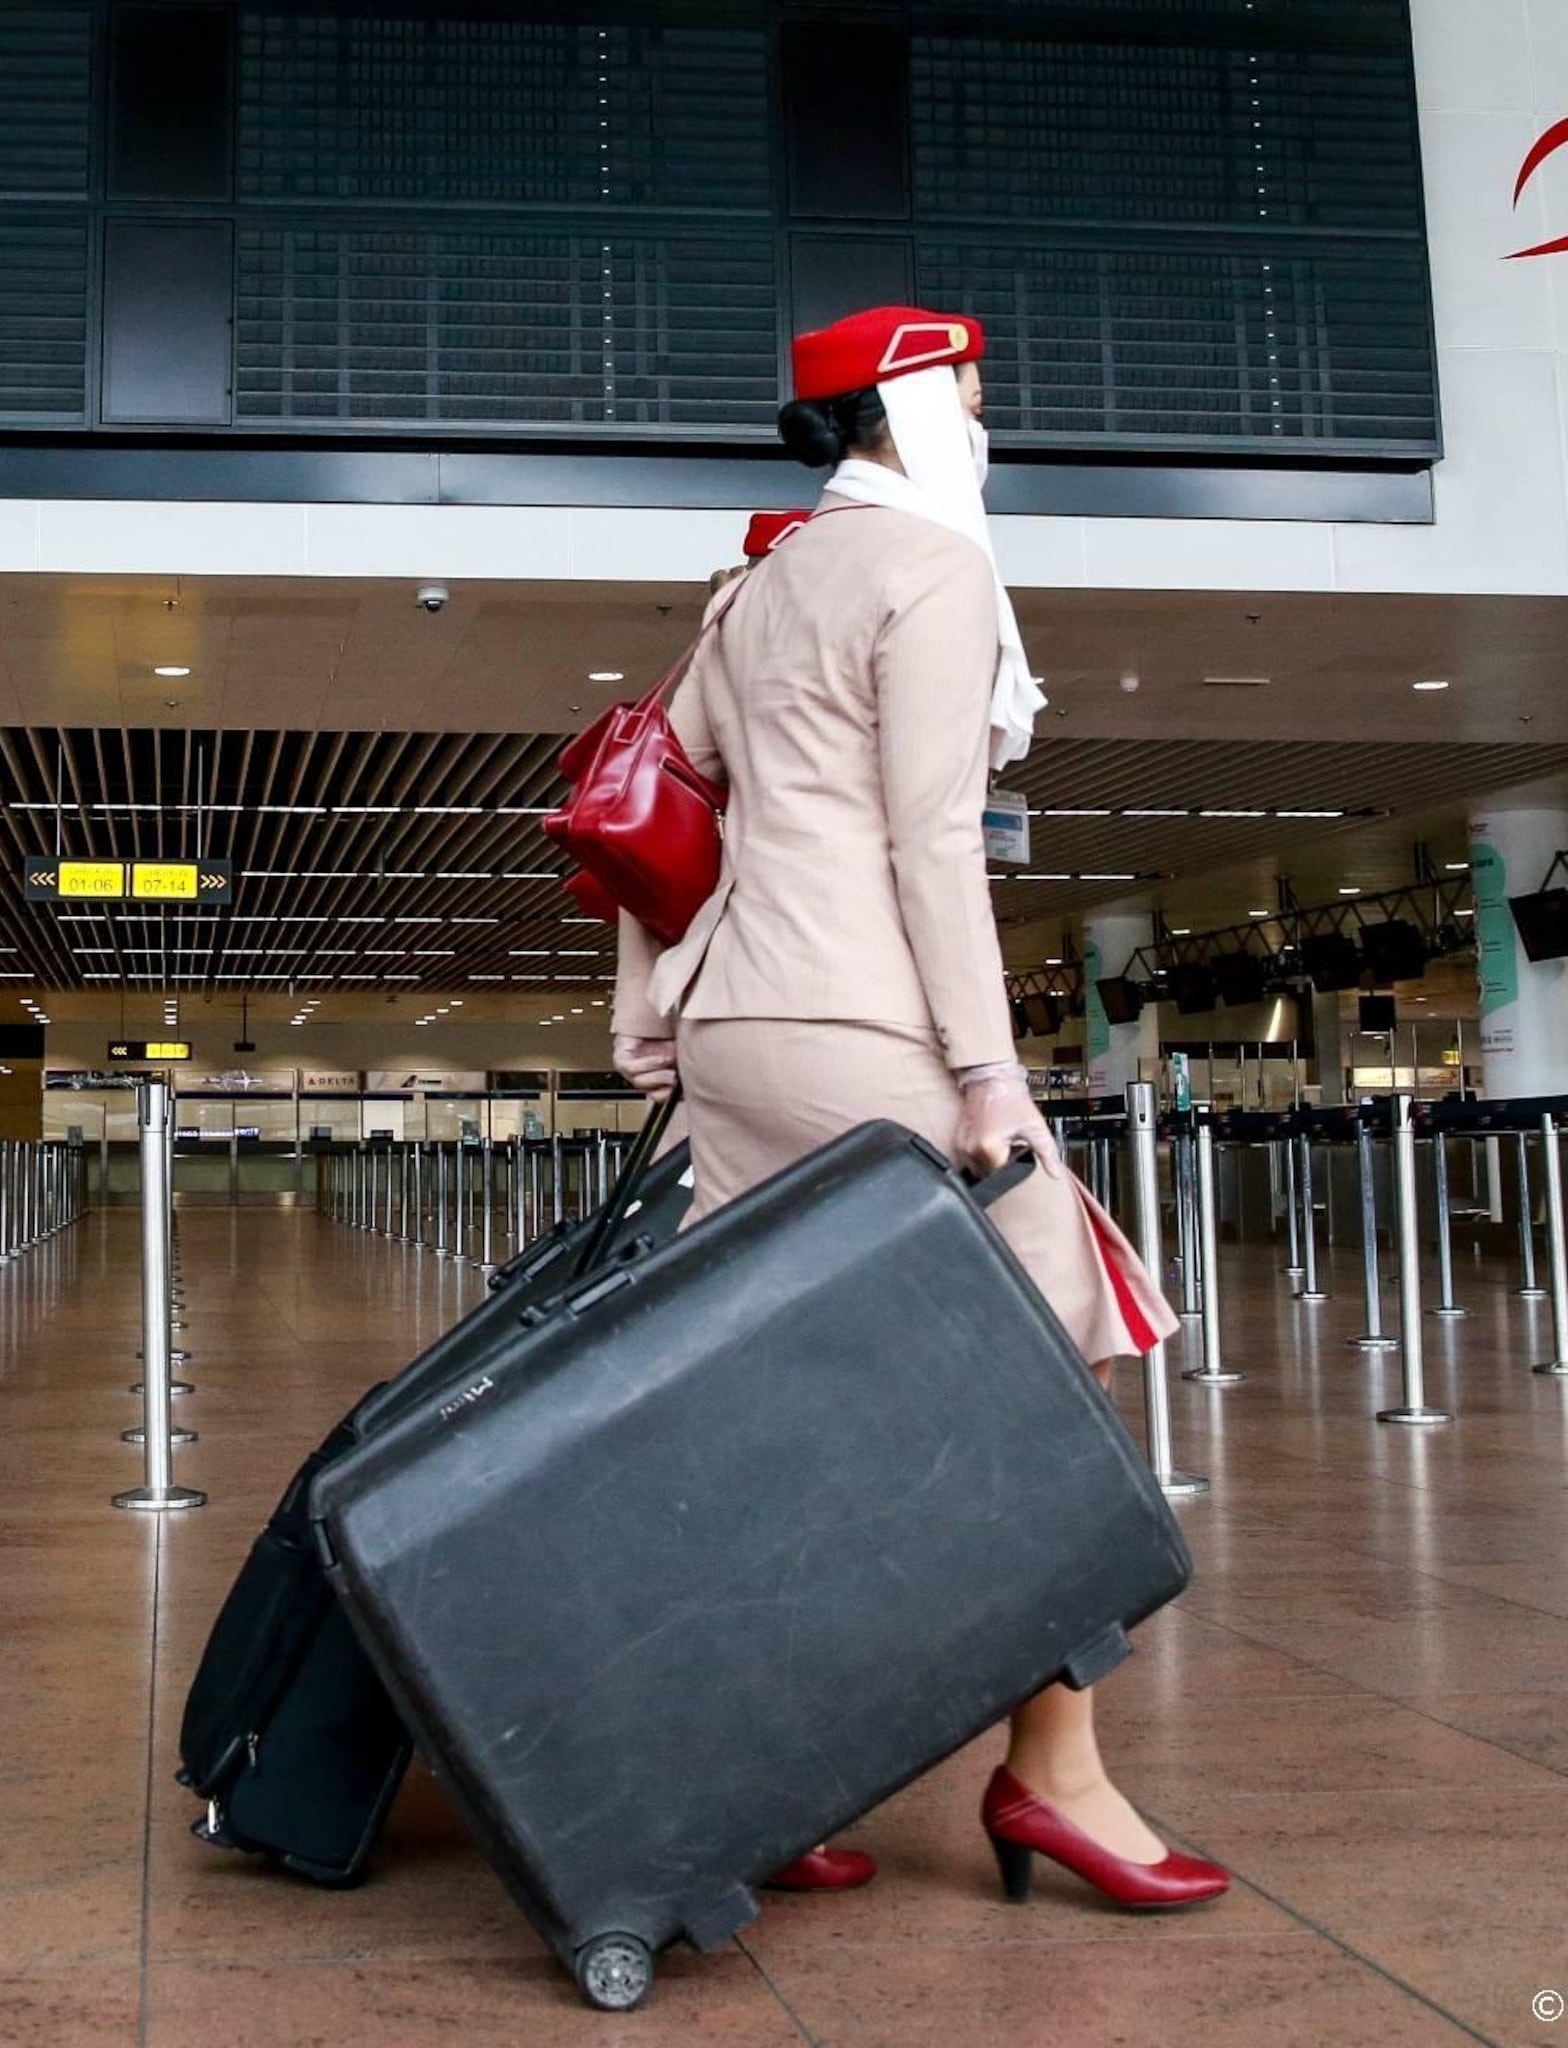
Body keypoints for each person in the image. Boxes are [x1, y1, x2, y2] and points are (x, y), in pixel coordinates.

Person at [610, 304, 1230, 1911]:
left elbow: (648, 805)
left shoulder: (752, 585)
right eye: (963, 384)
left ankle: (766, 1767)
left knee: (771, 1402)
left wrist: (656, 1033)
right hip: (866, 1019)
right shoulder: (936, 570)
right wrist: (984, 1069)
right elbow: (932, 844)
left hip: (741, 1025)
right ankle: (1054, 1779)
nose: (982, 410)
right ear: (905, 404)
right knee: (1051, 1369)